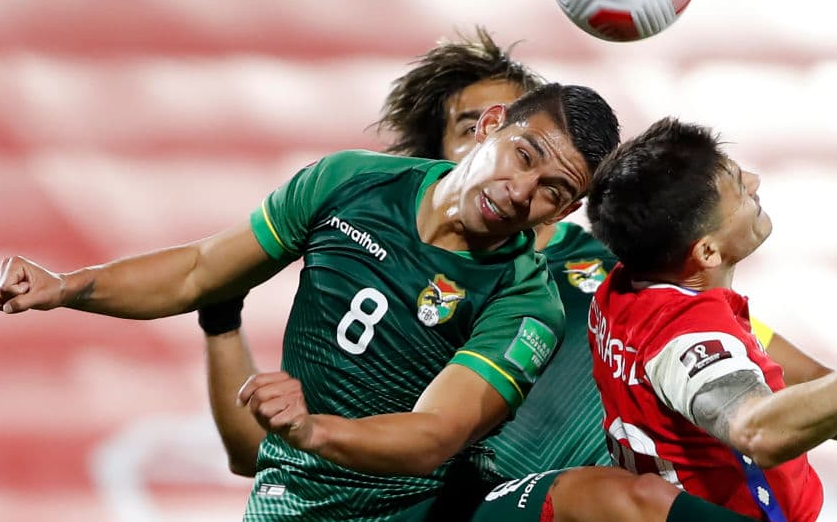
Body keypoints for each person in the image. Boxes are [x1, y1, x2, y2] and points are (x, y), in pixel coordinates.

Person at [198, 28, 617, 480]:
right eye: (471, 125)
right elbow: (257, 454)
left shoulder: (608, 267)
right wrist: (221, 316)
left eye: (526, 136)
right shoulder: (380, 295)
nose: (518, 167)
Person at [585, 117, 837, 521]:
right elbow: (759, 432)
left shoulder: (628, 287)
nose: (755, 182)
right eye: (738, 189)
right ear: (707, 252)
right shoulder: (688, 338)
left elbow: (803, 378)